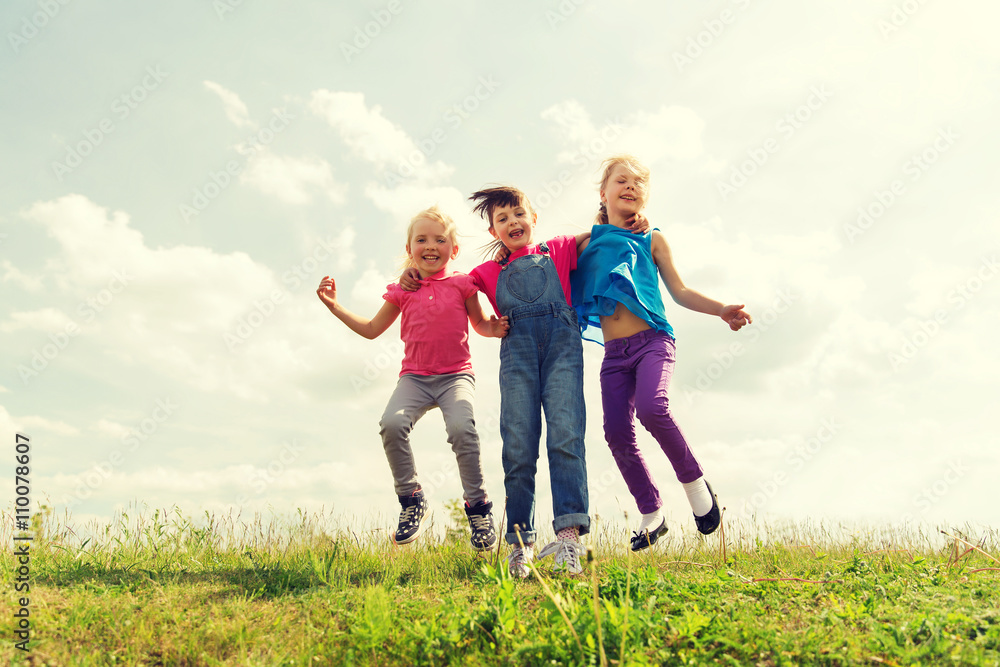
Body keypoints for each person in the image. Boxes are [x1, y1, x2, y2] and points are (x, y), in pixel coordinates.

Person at [571, 155, 752, 551]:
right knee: (616, 432)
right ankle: (651, 512)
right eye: (622, 180)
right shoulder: (585, 243)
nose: (631, 187)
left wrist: (721, 309)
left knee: (654, 409)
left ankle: (694, 484)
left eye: (638, 183)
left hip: (653, 341)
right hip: (614, 354)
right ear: (603, 193)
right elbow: (543, 255)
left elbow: (680, 291)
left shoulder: (652, 238)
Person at [316, 205, 509, 550]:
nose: (430, 246)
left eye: (440, 239)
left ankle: (478, 507)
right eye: (421, 239)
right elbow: (373, 329)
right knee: (391, 424)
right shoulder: (402, 290)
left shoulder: (463, 285)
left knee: (463, 429)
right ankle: (411, 500)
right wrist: (334, 306)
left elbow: (479, 323)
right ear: (410, 250)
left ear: (454, 249)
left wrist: (494, 328)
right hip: (415, 379)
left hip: (455, 377)